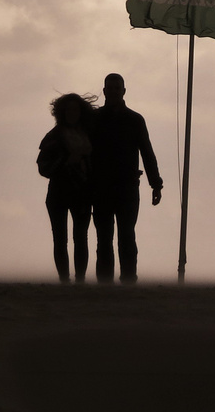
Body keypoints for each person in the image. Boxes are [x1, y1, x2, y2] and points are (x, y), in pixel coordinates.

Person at [89, 73, 163, 282]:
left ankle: (129, 281)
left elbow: (147, 153)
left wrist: (156, 184)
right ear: (104, 91)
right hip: (100, 187)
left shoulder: (134, 120)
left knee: (127, 237)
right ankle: (104, 284)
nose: (113, 91)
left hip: (127, 187)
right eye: (109, 88)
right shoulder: (94, 119)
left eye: (116, 88)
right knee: (104, 239)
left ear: (123, 91)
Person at [37, 92, 97, 282]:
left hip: (82, 194)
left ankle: (80, 280)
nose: (72, 113)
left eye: (75, 109)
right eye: (68, 109)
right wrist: (65, 161)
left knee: (81, 238)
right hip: (58, 194)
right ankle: (64, 280)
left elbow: (97, 164)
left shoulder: (89, 135)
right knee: (60, 239)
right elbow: (43, 167)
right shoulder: (53, 136)